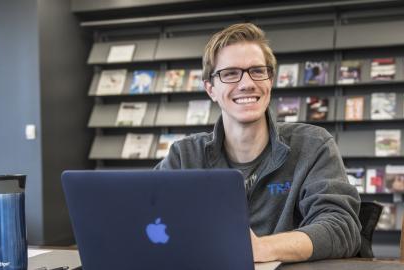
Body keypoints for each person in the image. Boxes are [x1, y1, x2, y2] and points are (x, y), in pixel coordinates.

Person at [155, 23, 363, 262]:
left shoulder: (313, 145)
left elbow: (341, 227)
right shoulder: (184, 156)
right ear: (210, 89)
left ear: (270, 80)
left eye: (257, 70)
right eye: (230, 73)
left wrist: (262, 248)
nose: (246, 83)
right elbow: (146, 217)